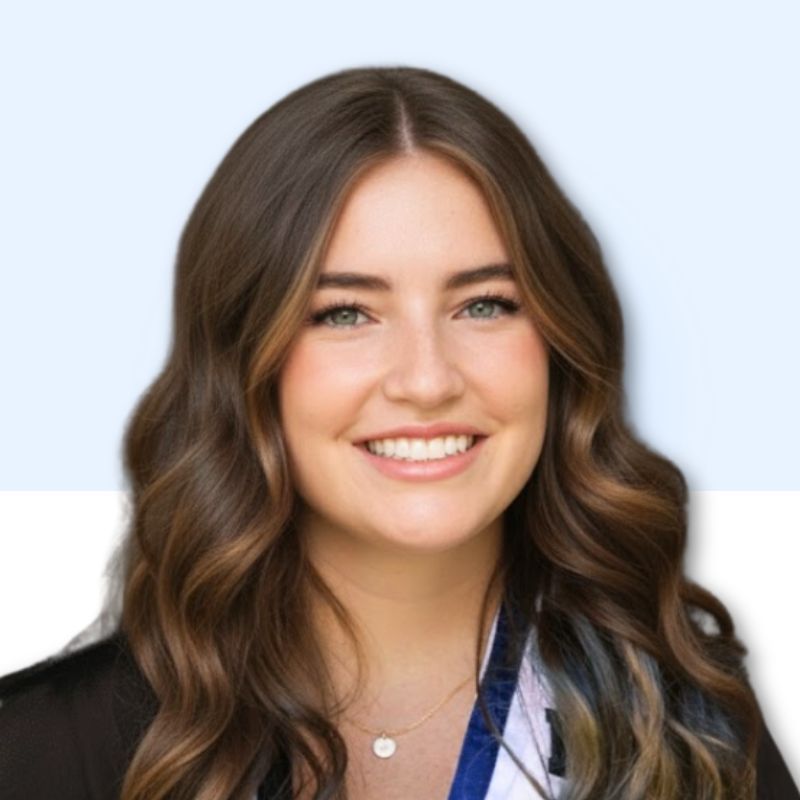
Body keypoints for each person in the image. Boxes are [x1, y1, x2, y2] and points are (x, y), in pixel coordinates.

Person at [0, 65, 797, 800]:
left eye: (484, 303)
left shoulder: (696, 732)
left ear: (561, 343)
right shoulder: (39, 753)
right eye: (345, 313)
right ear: (245, 363)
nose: (426, 379)